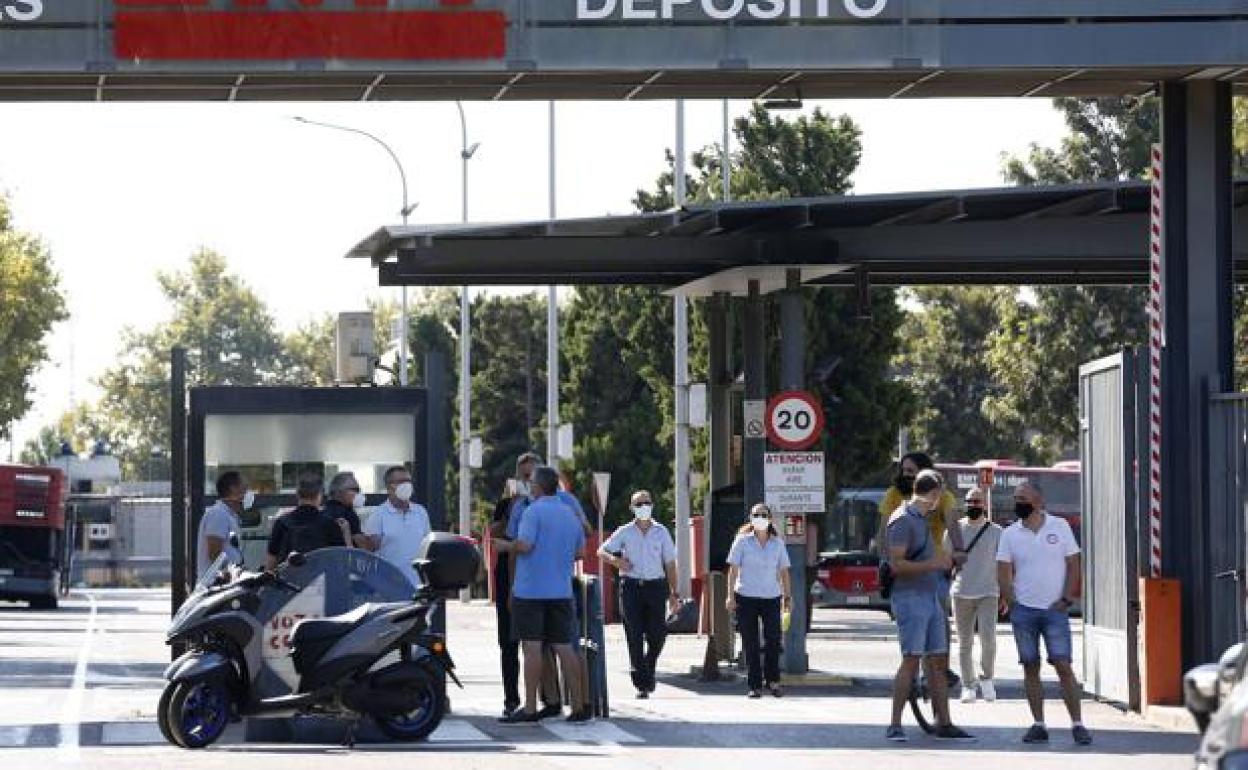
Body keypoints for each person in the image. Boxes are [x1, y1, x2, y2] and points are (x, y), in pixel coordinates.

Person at [997, 481, 1092, 746]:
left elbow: (1074, 563)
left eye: (1023, 498)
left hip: (1054, 611)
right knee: (1030, 666)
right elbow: (1002, 570)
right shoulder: (1010, 534)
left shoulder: (1060, 527)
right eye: (1016, 498)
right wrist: (1012, 601)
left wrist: (1067, 597)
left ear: (1038, 501)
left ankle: (1078, 724)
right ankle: (1038, 724)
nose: (1018, 503)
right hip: (1024, 612)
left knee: (1063, 665)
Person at [884, 470, 974, 742]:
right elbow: (896, 565)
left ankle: (944, 722)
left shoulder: (921, 519)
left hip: (931, 596)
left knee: (937, 660)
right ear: (934, 494)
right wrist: (934, 564)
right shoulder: (902, 520)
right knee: (911, 659)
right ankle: (895, 724)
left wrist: (943, 562)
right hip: (911, 599)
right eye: (940, 494)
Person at [499, 466, 590, 724]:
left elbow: (525, 545)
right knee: (565, 648)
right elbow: (581, 553)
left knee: (532, 648)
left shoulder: (532, 512)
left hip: (530, 591)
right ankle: (579, 705)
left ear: (537, 487)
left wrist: (505, 545)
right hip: (561, 591)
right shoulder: (570, 514)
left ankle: (529, 708)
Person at [490, 453, 561, 719]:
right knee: (509, 641)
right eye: (523, 476)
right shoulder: (510, 502)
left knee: (541, 642)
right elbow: (496, 533)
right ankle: (512, 698)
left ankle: (548, 698)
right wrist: (508, 506)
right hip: (510, 575)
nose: (527, 481)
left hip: (538, 577)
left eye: (531, 476)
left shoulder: (554, 504)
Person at [598, 489, 679, 699]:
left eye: (646, 502)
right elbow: (602, 551)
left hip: (655, 586)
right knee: (633, 633)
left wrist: (674, 592)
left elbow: (670, 563)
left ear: (652, 504)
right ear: (632, 508)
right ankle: (642, 682)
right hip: (631, 587)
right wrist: (616, 561)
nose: (643, 506)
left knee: (658, 633)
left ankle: (649, 663)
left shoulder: (661, 532)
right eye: (639, 503)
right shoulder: (625, 531)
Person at [726, 503, 791, 700]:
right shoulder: (742, 541)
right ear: (751, 519)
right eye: (756, 515)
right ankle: (754, 685)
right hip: (746, 597)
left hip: (772, 597)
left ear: (770, 519)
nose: (760, 518)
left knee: (773, 640)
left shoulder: (777, 543)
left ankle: (773, 681)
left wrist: (787, 597)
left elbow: (784, 572)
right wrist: (730, 596)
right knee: (751, 642)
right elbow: (733, 570)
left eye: (763, 514)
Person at [944, 486, 1003, 703]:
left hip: (989, 592)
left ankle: (987, 679)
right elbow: (945, 561)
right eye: (969, 502)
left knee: (988, 640)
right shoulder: (955, 530)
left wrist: (1005, 592)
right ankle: (968, 685)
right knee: (964, 642)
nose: (973, 506)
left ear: (985, 505)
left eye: (977, 502)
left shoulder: (996, 532)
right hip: (961, 592)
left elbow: (1003, 564)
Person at [362, 465, 432, 589]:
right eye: (400, 482)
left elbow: (428, 545)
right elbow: (370, 551)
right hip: (390, 587)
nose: (406, 485)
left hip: (418, 586)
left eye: (408, 481)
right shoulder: (378, 515)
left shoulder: (420, 512)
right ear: (389, 487)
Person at [264, 471, 341, 569]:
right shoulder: (330, 524)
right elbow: (340, 560)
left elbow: (271, 560)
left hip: (289, 580)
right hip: (320, 580)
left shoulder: (282, 522)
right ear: (320, 495)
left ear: (297, 494)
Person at [196, 470, 251, 575]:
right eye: (244, 487)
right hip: (216, 585)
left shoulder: (228, 515)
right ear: (233, 489)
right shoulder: (218, 514)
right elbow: (214, 553)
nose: (247, 492)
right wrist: (230, 573)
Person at [324, 471, 369, 549]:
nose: (358, 494)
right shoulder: (349, 514)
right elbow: (364, 546)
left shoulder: (324, 512)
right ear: (339, 492)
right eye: (354, 489)